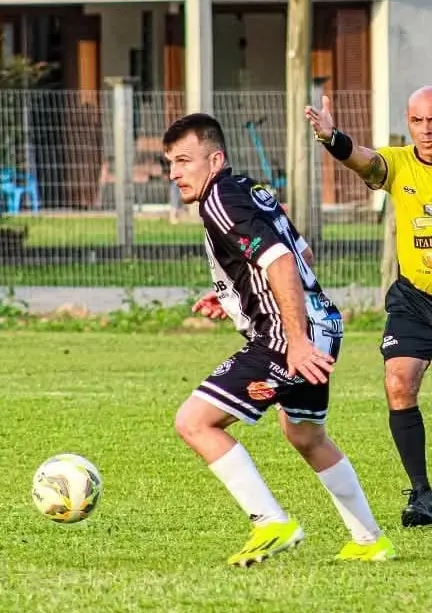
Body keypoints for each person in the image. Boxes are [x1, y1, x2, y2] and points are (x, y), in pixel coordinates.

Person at [165, 112, 394, 567]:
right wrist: (233, 295)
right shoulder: (249, 188)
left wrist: (294, 339)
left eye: (184, 161)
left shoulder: (219, 201)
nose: (174, 174)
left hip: (289, 335)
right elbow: (299, 251)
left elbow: (283, 264)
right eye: (170, 163)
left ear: (215, 159)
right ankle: (370, 540)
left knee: (194, 421)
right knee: (305, 433)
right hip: (322, 323)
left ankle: (270, 521)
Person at [305, 87, 432, 527]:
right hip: (414, 297)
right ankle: (422, 495)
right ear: (408, 123)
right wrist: (331, 136)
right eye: (417, 121)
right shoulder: (400, 162)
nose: (427, 130)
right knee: (398, 382)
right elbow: (365, 160)